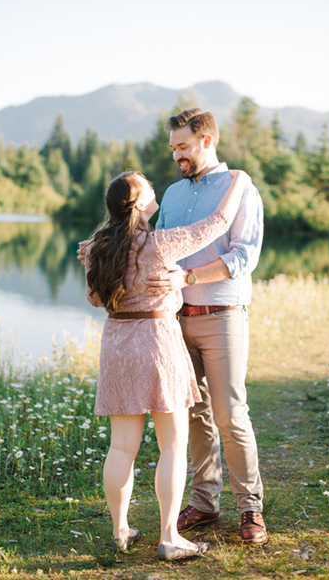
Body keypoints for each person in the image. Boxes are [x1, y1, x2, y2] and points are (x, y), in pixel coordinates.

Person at [83, 167, 250, 561]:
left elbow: (94, 299)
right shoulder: (160, 244)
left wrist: (93, 254)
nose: (156, 190)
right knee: (172, 444)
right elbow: (218, 223)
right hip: (157, 342)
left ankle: (120, 530)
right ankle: (169, 537)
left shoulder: (96, 248)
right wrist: (239, 180)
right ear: (140, 204)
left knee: (121, 446)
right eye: (149, 189)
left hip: (117, 345)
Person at [145, 108, 266, 544]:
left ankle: (250, 509)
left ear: (207, 141)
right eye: (173, 146)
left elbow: (243, 257)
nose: (176, 153)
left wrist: (191, 277)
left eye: (183, 146)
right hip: (175, 321)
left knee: (231, 414)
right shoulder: (173, 194)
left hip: (223, 317)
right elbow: (155, 247)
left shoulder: (239, 188)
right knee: (194, 414)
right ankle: (204, 503)